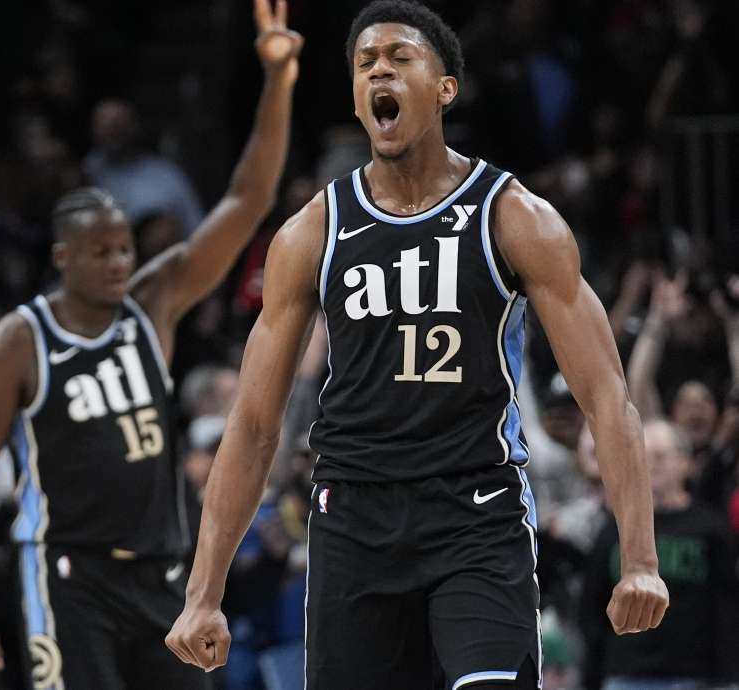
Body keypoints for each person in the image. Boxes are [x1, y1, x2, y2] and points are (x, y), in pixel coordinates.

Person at [165, 2, 669, 689]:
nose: (380, 70)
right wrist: (203, 593)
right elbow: (253, 424)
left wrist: (639, 558)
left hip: (476, 512)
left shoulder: (514, 215)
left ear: (444, 88)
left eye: (400, 58)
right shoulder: (314, 231)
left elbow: (608, 396)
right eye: (366, 62)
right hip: (352, 518)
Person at [0, 2, 302, 689]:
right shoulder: (19, 340)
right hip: (68, 578)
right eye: (100, 251)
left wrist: (277, 83)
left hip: (164, 570)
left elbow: (246, 199)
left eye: (123, 248)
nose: (116, 261)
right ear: (62, 257)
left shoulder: (153, 302)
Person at [580, 420, 739, 690]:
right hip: (626, 674)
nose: (651, 464)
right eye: (643, 456)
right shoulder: (615, 528)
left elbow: (727, 605)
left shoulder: (711, 528)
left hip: (698, 676)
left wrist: (727, 675)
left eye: (661, 456)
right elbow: (591, 605)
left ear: (686, 462)